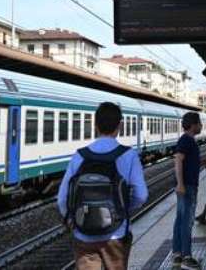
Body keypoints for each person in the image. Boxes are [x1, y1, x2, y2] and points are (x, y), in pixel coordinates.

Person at [58, 102, 148, 270]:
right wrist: (123, 211)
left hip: (83, 235)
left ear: (95, 124)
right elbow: (141, 195)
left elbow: (62, 198)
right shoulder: (129, 155)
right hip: (115, 235)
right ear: (120, 125)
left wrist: (70, 220)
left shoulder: (79, 156)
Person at [172, 112, 203, 270]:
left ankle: (177, 253)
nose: (201, 126)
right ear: (193, 125)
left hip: (187, 185)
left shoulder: (188, 141)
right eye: (199, 123)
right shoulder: (186, 140)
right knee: (187, 221)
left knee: (180, 219)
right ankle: (186, 256)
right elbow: (178, 160)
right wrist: (180, 184)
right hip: (187, 186)